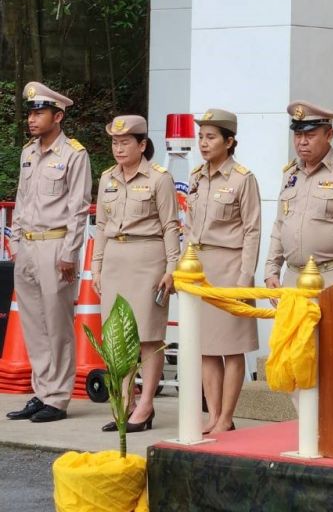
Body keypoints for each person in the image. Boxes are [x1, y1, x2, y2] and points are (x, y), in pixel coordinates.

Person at [6, 82, 91, 423]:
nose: (32, 119)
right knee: (33, 325)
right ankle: (41, 392)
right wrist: (15, 241)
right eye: (30, 113)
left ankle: (57, 397)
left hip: (57, 246)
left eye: (39, 113)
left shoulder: (73, 154)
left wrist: (70, 252)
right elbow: (22, 199)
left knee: (56, 325)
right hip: (27, 245)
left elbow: (79, 207)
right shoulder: (29, 153)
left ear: (58, 116)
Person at [92, 115, 180, 433]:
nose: (119, 148)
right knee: (119, 337)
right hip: (115, 258)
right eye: (115, 143)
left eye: (125, 142)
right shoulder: (107, 179)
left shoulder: (159, 178)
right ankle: (126, 402)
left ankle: (145, 406)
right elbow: (101, 226)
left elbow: (171, 225)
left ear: (142, 145)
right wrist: (96, 266)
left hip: (148, 259)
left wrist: (172, 267)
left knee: (148, 336)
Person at [186, 108, 261, 434]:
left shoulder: (242, 179)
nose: (203, 143)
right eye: (201, 136)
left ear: (230, 142)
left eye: (211, 137)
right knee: (206, 348)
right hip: (202, 268)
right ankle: (213, 414)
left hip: (231, 267)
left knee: (230, 347)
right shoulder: (196, 177)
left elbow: (252, 230)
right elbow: (188, 227)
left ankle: (227, 416)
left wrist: (245, 278)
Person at [265, 101, 333, 291]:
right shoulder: (290, 174)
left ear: (329, 135)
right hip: (292, 280)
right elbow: (280, 225)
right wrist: (271, 270)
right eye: (298, 135)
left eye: (310, 135)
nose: (302, 141)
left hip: (332, 280)